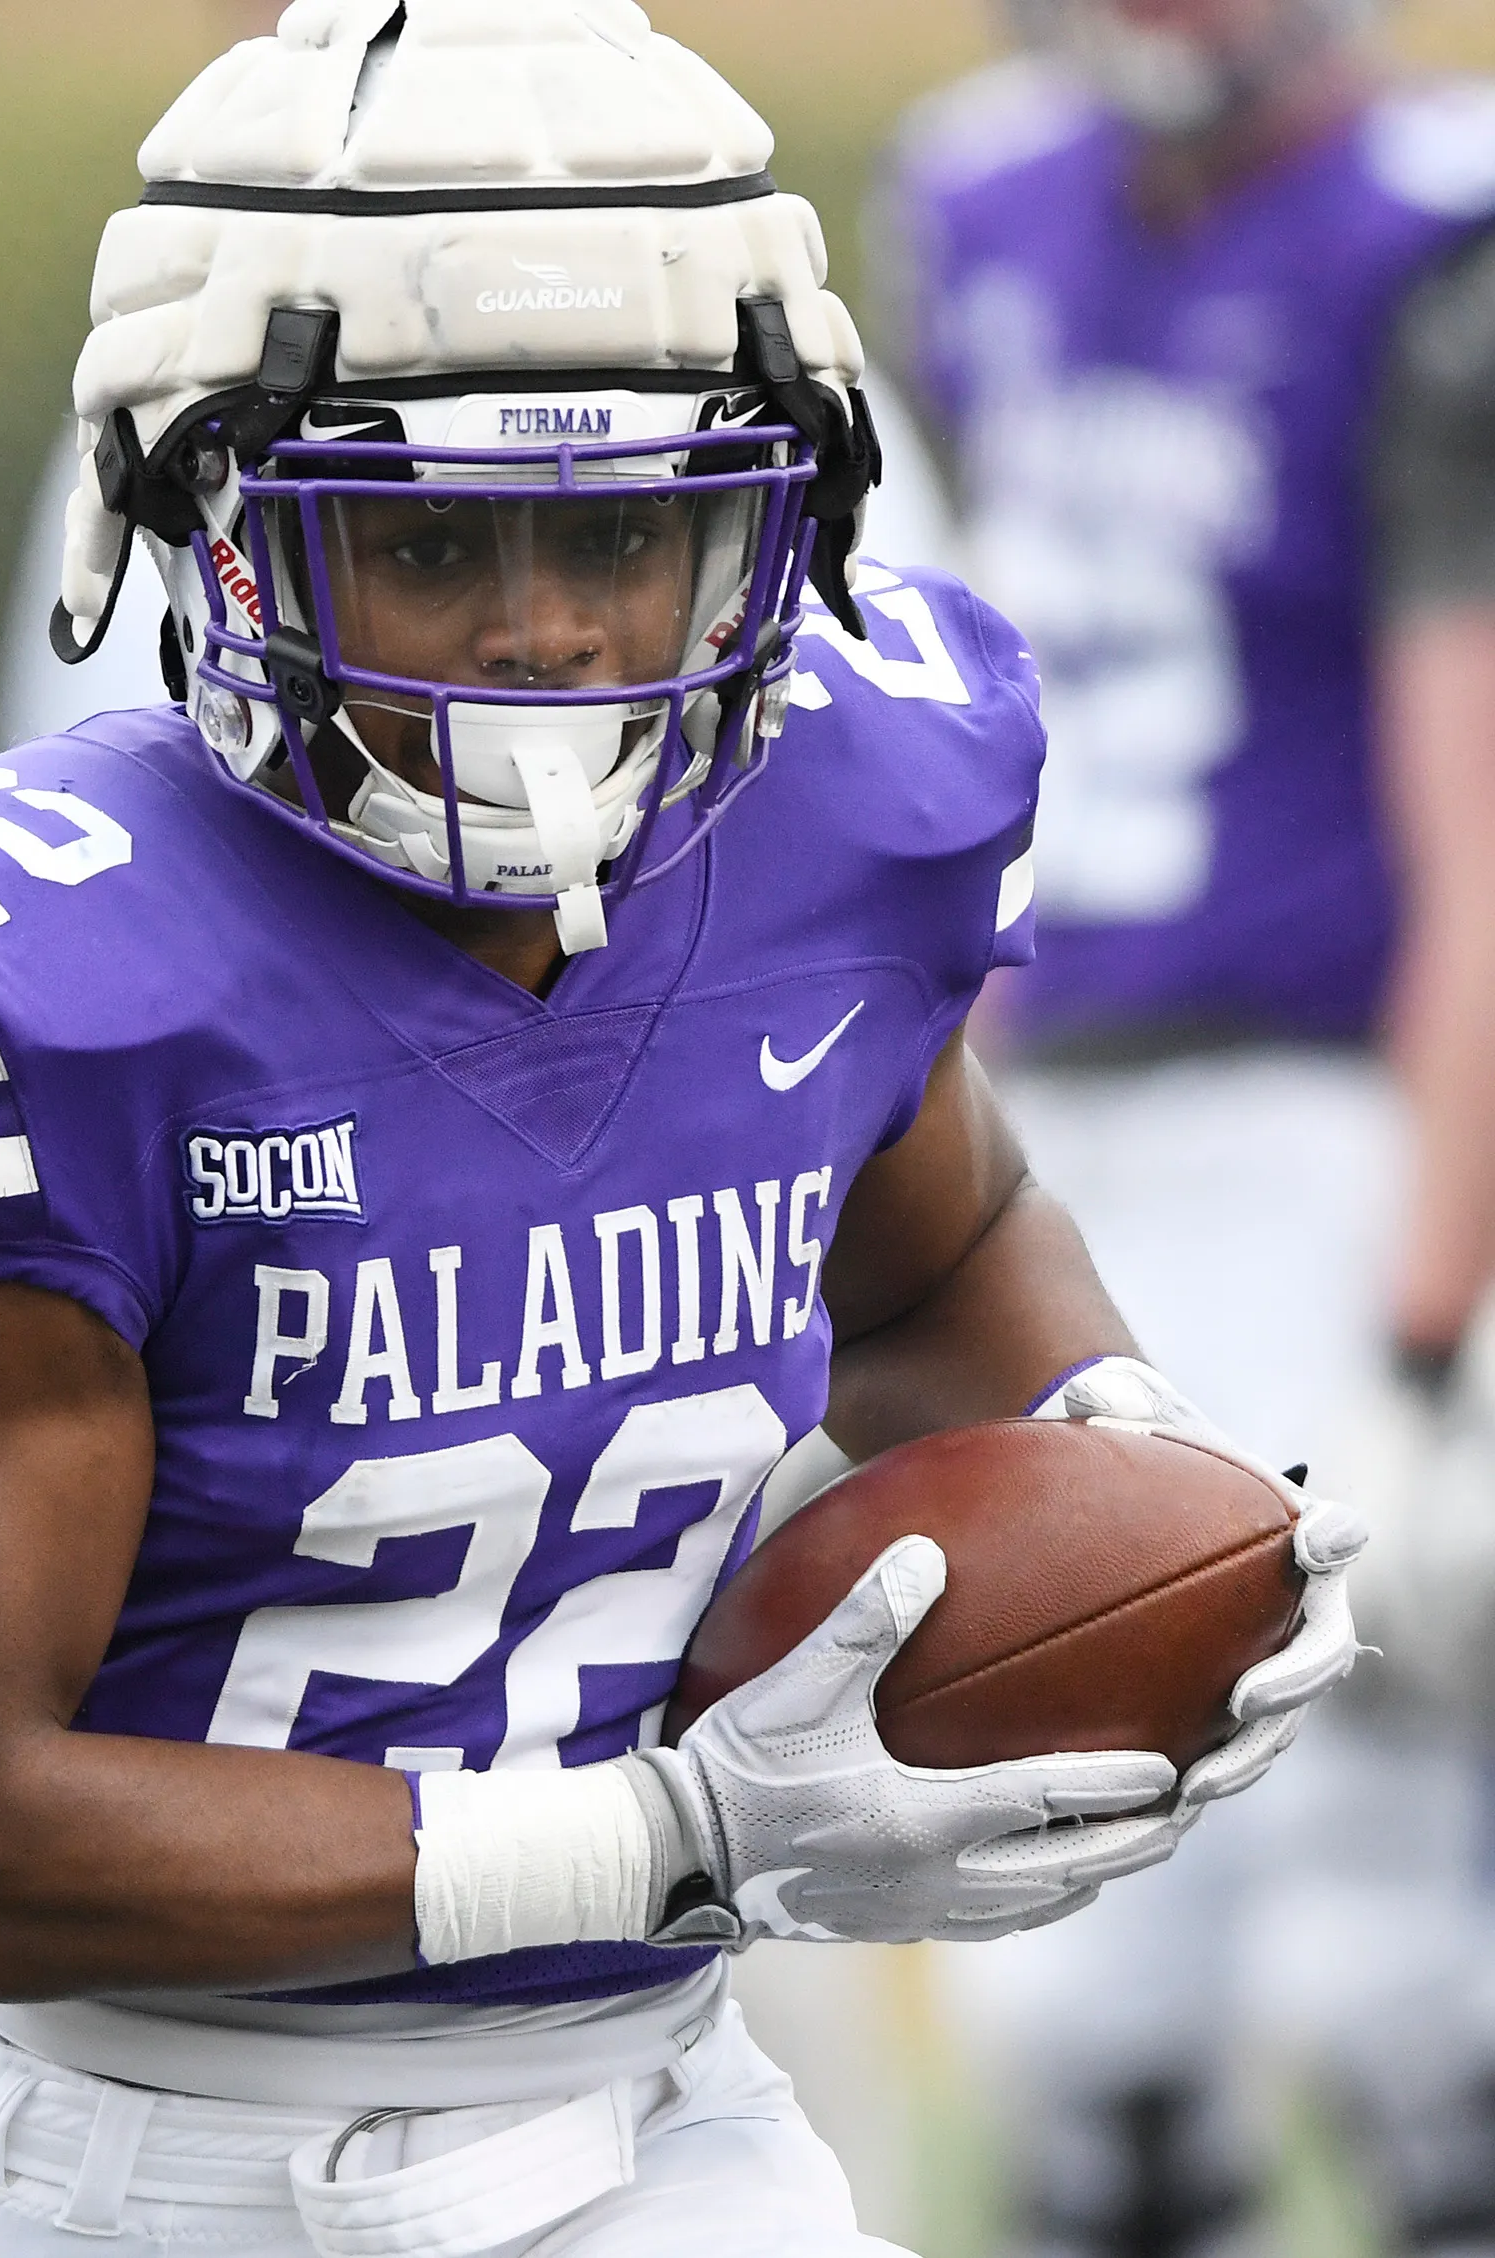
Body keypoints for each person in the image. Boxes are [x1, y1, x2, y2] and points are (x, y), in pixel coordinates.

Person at [0, 7, 1359, 2254]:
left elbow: (940, 1249)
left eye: (628, 532)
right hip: (85, 2153)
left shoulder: (846, 816)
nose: (554, 628)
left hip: (635, 2120)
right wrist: (670, 1836)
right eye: (435, 545)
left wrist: (1134, 1449)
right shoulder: (17, 974)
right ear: (218, 523)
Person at [871, 2, 1495, 2251]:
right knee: (1079, 2023)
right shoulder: (963, 200)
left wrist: (1427, 1339)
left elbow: (1476, 836)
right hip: (1036, 1150)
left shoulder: (1437, 243)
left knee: (1404, 1990)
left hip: (1346, 1137)